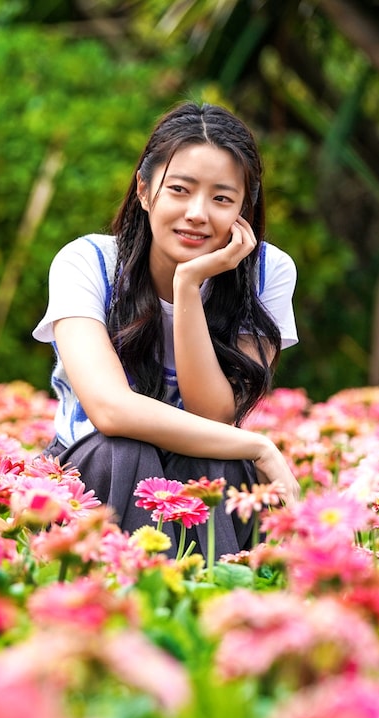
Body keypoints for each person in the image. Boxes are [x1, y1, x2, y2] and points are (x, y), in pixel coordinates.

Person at [32, 101, 300, 559]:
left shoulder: (267, 273)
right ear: (144, 189)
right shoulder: (88, 262)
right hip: (97, 466)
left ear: (244, 209)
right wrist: (259, 446)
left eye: (221, 198)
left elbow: (212, 415)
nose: (197, 213)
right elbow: (110, 411)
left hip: (205, 469)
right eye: (179, 189)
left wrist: (189, 284)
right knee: (127, 449)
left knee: (212, 457)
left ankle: (215, 611)